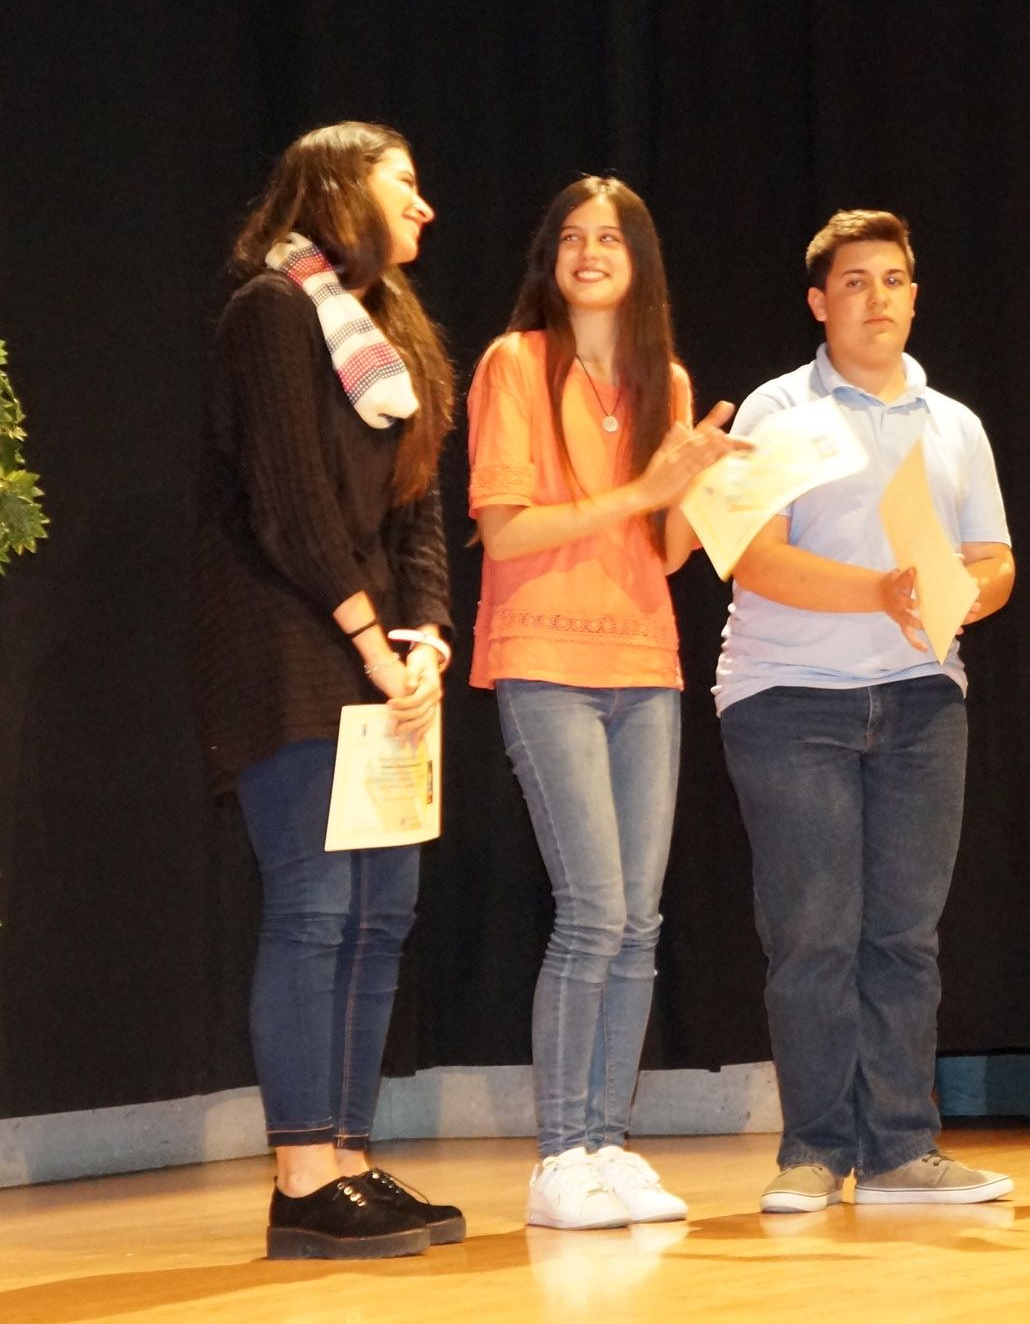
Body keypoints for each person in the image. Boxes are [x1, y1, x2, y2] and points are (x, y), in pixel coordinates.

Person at [193, 122, 462, 1258]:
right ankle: (302, 1172)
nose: (427, 208)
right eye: (408, 184)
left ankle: (350, 1154)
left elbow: (415, 509)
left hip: (379, 652)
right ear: (344, 187)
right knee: (312, 908)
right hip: (287, 645)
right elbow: (294, 506)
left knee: (379, 912)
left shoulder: (391, 333)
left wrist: (428, 638)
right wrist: (371, 642)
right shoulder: (269, 309)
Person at [715, 209, 1016, 1214]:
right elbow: (750, 552)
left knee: (904, 934)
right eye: (855, 282)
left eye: (893, 279)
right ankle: (811, 1147)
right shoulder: (775, 408)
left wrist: (963, 589)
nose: (877, 297)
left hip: (923, 697)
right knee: (812, 932)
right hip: (789, 697)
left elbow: (995, 559)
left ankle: (900, 1147)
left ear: (915, 295)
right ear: (818, 301)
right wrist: (880, 590)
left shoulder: (954, 423)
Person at [466, 177, 743, 1229]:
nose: (591, 251)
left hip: (645, 663)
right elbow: (505, 530)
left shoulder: (661, 381)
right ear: (549, 257)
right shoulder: (514, 362)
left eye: (611, 237)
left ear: (640, 262)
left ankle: (606, 1144)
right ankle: (557, 1154)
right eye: (573, 236)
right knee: (590, 911)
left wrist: (701, 484)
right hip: (545, 656)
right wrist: (640, 488)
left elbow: (666, 551)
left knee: (639, 921)